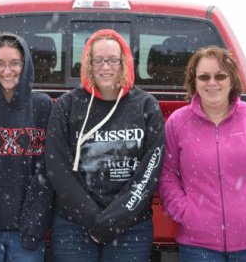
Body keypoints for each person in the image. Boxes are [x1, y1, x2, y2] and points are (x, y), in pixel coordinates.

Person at [159, 46, 246, 262]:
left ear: (232, 80)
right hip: (197, 245)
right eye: (204, 77)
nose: (212, 83)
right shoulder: (178, 122)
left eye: (220, 75)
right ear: (194, 81)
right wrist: (184, 212)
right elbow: (166, 174)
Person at [45, 29, 165, 262]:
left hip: (131, 225)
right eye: (98, 60)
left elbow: (150, 169)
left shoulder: (145, 106)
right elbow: (57, 166)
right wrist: (92, 218)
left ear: (125, 62)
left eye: (112, 60)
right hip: (74, 224)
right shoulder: (68, 105)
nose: (105, 67)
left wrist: (116, 217)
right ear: (88, 63)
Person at [0, 32, 53, 261]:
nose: (7, 71)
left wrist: (34, 223)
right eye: (0, 64)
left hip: (27, 235)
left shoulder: (42, 106)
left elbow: (48, 171)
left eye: (15, 63)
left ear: (25, 64)